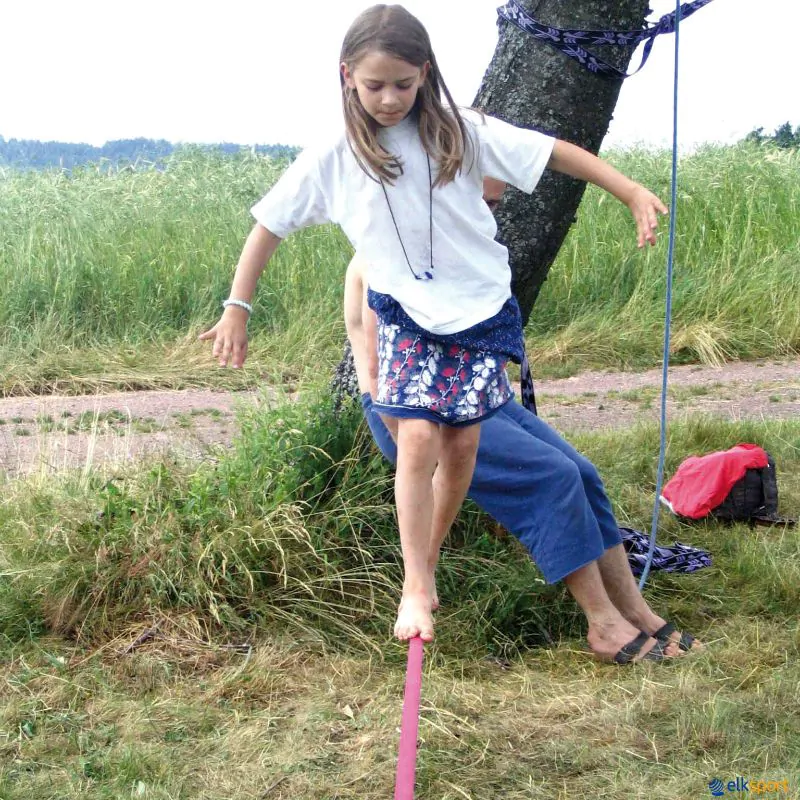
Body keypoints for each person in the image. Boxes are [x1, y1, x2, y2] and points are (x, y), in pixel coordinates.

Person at [199, 4, 668, 646]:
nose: (390, 99)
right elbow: (269, 226)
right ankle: (456, 588)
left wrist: (630, 190)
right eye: (375, 85)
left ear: (425, 74)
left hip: (475, 327)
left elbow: (553, 153)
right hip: (407, 364)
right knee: (462, 451)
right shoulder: (343, 174)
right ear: (347, 76)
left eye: (403, 84)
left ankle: (634, 611)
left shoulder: (459, 136)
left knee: (553, 467)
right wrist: (237, 307)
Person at [345, 251, 702, 663]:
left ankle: (635, 611)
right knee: (553, 477)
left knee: (582, 473)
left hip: (473, 397)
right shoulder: (381, 256)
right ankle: (604, 625)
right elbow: (378, 374)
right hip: (411, 414)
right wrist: (420, 455)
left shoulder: (447, 241)